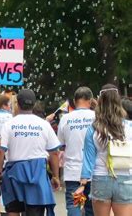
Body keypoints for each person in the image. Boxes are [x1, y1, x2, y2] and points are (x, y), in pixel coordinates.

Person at [0, 89, 61, 216]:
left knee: (13, 210)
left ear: (17, 104)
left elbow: (0, 151)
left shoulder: (9, 124)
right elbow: (54, 153)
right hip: (37, 173)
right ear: (34, 104)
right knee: (35, 211)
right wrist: (56, 176)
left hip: (14, 173)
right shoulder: (43, 125)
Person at [78, 84, 132, 216]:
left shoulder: (93, 129)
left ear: (100, 102)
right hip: (125, 178)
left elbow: (88, 159)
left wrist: (82, 184)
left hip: (100, 178)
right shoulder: (129, 127)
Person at [57, 87, 95, 216]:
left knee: (75, 206)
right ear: (90, 101)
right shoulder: (96, 117)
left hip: (73, 171)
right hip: (94, 171)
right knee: (92, 207)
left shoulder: (65, 119)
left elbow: (61, 144)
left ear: (74, 101)